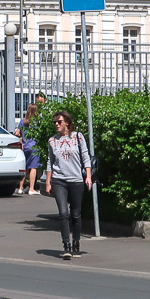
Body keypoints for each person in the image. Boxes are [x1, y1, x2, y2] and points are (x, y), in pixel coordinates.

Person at [45, 109, 93, 260]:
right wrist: (48, 181)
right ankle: (66, 246)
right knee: (63, 213)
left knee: (76, 214)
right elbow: (50, 162)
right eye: (55, 123)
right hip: (59, 180)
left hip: (76, 179)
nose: (56, 125)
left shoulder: (78, 137)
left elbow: (85, 156)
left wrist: (88, 176)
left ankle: (76, 244)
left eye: (59, 122)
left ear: (67, 122)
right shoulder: (52, 141)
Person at [14, 103, 41, 195]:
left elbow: (16, 133)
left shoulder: (23, 121)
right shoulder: (37, 122)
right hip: (34, 146)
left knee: (24, 168)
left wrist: (23, 135)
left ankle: (20, 188)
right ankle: (31, 188)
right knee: (33, 167)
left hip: (24, 146)